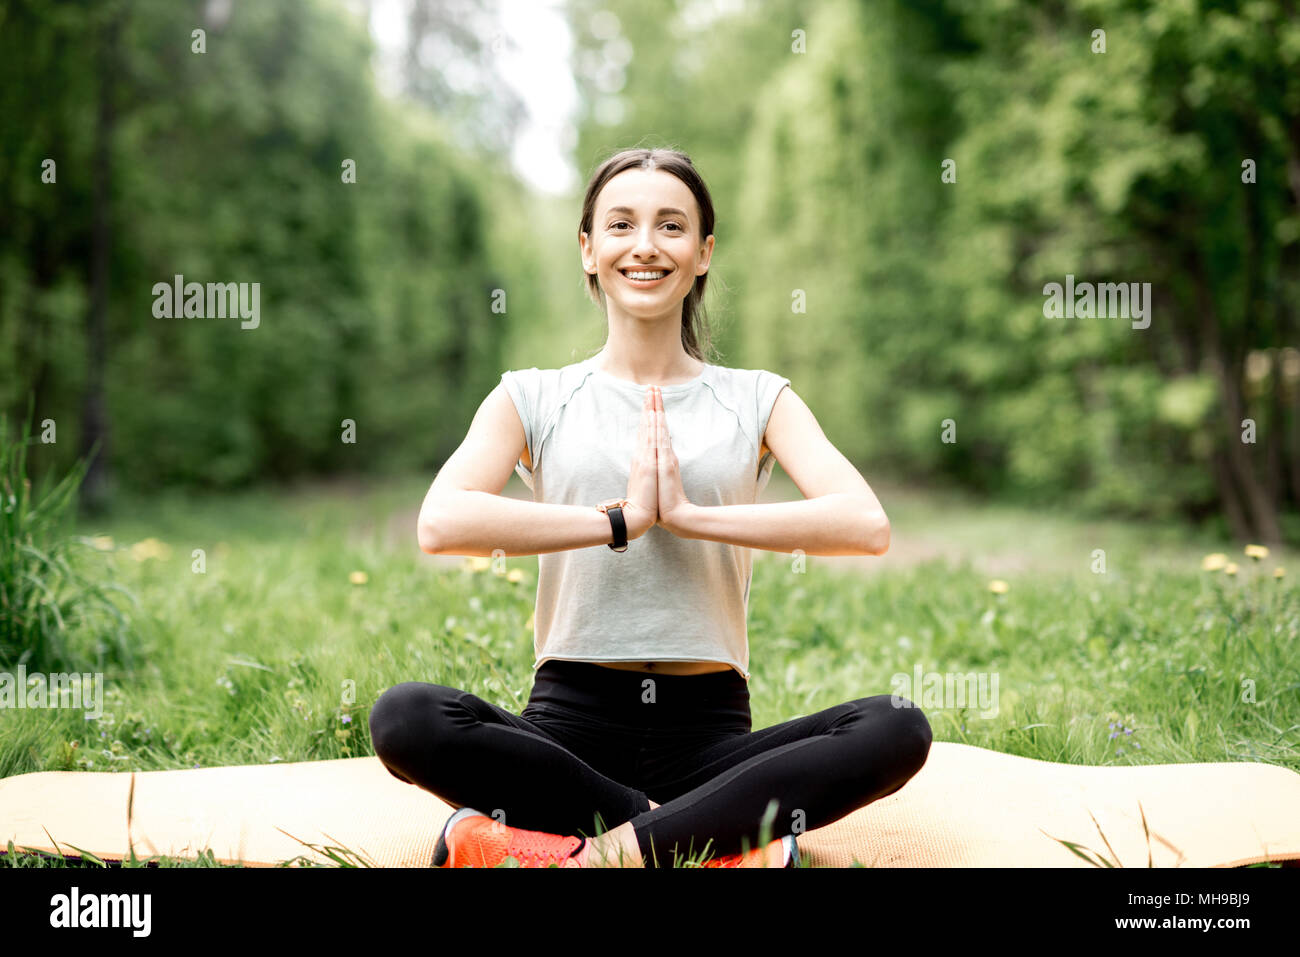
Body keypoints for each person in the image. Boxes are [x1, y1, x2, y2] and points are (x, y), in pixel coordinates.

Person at [368, 146, 932, 868]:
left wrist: (690, 515)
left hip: (713, 735)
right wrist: (619, 522)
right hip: (567, 731)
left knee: (897, 724)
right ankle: (706, 838)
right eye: (621, 224)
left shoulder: (758, 396)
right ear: (588, 249)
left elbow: (866, 524)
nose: (645, 246)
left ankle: (582, 849)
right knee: (406, 715)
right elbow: (441, 521)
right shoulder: (532, 394)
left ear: (703, 253)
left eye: (671, 226)